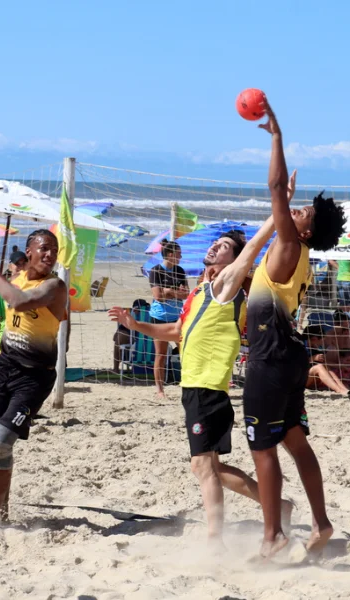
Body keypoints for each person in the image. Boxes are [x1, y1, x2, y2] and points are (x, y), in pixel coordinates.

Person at [109, 212, 292, 545]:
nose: (215, 248)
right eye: (216, 243)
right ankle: (277, 506)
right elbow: (176, 331)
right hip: (195, 387)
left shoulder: (225, 286)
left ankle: (214, 540)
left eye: (224, 247)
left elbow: (251, 249)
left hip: (207, 387)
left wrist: (278, 212)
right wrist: (135, 325)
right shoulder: (202, 291)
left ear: (234, 263)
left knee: (203, 467)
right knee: (211, 469)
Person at [243, 99, 346, 560]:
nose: (298, 210)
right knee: (296, 444)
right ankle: (321, 523)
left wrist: (277, 137)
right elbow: (281, 195)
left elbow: (273, 186)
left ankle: (273, 537)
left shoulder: (288, 245)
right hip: (291, 358)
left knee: (263, 449)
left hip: (271, 360)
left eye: (304, 213)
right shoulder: (301, 253)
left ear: (304, 231)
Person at [0, 229, 67, 522]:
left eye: (54, 250)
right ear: (29, 251)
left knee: (0, 442)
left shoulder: (55, 287)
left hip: (34, 378)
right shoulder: (17, 279)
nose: (50, 255)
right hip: (5, 368)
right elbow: (7, 308)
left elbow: (20, 302)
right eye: (44, 248)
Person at [148, 240, 188, 398]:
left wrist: (169, 292)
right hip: (159, 317)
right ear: (170, 255)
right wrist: (173, 291)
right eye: (179, 254)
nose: (181, 256)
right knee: (161, 354)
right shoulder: (156, 271)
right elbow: (158, 297)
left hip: (177, 318)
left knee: (186, 352)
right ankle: (160, 390)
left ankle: (187, 384)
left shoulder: (180, 270)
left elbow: (186, 294)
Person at [0, 251, 27, 358]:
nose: (20, 267)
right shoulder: (1, 288)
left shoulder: (34, 287)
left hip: (26, 339)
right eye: (17, 264)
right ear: (10, 266)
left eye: (23, 263)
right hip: (5, 338)